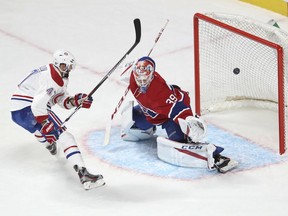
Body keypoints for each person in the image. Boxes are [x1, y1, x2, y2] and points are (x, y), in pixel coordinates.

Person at [120, 56, 238, 173]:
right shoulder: (133, 75)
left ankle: (216, 157)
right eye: (138, 78)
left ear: (152, 75)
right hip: (151, 112)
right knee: (129, 130)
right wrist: (139, 61)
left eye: (145, 79)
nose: (141, 83)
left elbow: (179, 109)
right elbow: (127, 68)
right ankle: (150, 127)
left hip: (168, 116)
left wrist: (189, 122)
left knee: (180, 142)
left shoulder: (160, 92)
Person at [10, 49, 105, 190]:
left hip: (17, 112)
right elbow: (37, 105)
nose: (66, 69)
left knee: (40, 129)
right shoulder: (51, 78)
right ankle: (84, 175)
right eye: (63, 66)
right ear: (56, 63)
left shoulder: (56, 74)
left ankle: (49, 144)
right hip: (28, 108)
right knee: (65, 136)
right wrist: (45, 123)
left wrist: (76, 100)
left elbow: (59, 99)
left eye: (69, 67)